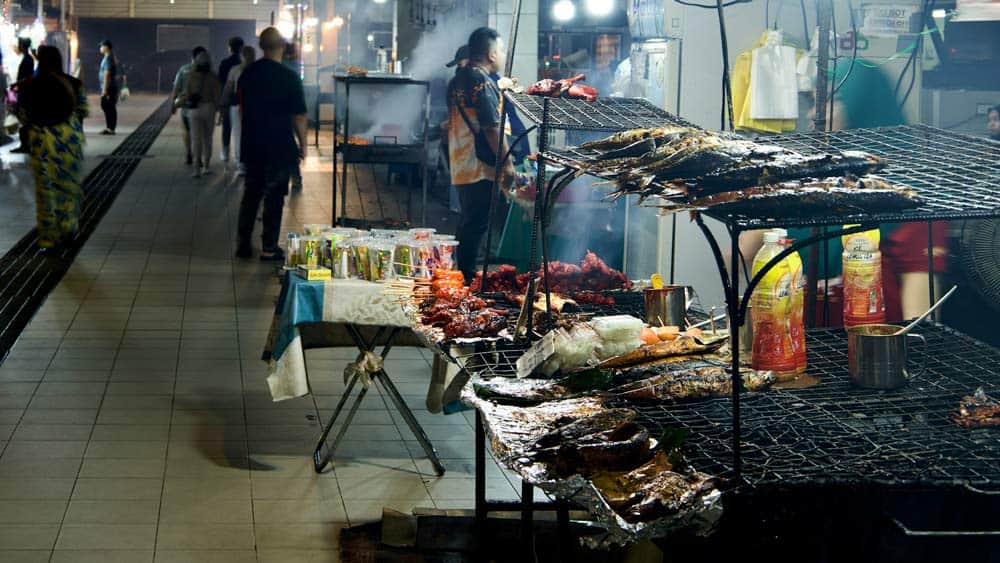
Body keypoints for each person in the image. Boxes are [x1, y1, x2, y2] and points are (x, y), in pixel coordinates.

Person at [739, 61, 947, 323]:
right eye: (815, 103)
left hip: (872, 356)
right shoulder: (806, 181)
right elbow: (745, 253)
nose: (815, 114)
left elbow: (920, 318)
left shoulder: (910, 201)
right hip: (794, 352)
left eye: (831, 102)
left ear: (864, 108)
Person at [447, 28, 515, 281]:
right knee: (476, 224)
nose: (504, 54)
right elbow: (491, 127)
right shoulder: (482, 82)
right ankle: (467, 279)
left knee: (468, 223)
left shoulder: (457, 81)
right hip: (480, 165)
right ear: (491, 53)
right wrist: (507, 165)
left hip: (461, 162)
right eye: (502, 49)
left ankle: (461, 275)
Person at [236, 27, 307, 261]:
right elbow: (298, 116)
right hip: (279, 146)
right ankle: (268, 247)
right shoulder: (289, 77)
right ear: (282, 46)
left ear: (260, 46)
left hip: (253, 145)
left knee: (251, 195)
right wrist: (303, 144)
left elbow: (242, 110)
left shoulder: (248, 74)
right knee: (275, 197)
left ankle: (243, 245)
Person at [17, 46, 87, 250]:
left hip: (43, 142)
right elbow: (82, 109)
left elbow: (23, 116)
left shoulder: (29, 85)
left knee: (46, 191)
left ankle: (49, 239)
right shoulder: (73, 83)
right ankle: (68, 228)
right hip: (69, 140)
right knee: (68, 187)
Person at [183, 51, 222, 178]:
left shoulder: (190, 76)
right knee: (207, 139)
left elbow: (187, 95)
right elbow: (217, 96)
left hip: (194, 110)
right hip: (209, 108)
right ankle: (206, 167)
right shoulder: (213, 76)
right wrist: (218, 110)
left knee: (196, 139)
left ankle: (196, 170)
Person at [220, 45, 256, 176]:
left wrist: (222, 102)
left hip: (238, 105)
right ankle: (253, 161)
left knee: (239, 135)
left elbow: (228, 88)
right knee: (254, 134)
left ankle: (241, 164)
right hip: (255, 106)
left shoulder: (236, 70)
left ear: (242, 56)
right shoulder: (258, 69)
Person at [171, 46, 207, 165]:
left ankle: (189, 154)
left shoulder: (183, 69)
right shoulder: (207, 71)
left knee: (186, 130)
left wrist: (173, 105)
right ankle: (199, 157)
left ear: (192, 57)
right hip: (202, 107)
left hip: (186, 106)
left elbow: (176, 88)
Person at [218, 36, 244, 165]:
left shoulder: (224, 63)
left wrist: (220, 101)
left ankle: (225, 152)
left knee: (226, 127)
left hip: (227, 99)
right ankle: (239, 158)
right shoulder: (243, 65)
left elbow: (221, 83)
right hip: (240, 101)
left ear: (230, 48)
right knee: (240, 131)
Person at [282, 42, 304, 191]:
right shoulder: (295, 66)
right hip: (290, 109)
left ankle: (289, 177)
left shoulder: (279, 65)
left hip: (277, 110)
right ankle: (295, 178)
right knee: (290, 144)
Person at [10, 37, 35, 153]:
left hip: (26, 93)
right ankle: (25, 144)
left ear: (22, 46)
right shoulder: (27, 58)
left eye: (19, 44)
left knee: (24, 120)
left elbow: (28, 78)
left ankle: (25, 145)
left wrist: (16, 84)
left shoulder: (28, 59)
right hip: (24, 91)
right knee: (24, 119)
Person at [98, 39, 118, 135]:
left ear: (106, 47)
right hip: (109, 86)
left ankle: (111, 128)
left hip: (109, 87)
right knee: (107, 106)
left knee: (108, 106)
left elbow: (107, 74)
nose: (100, 48)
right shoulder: (108, 57)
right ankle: (109, 127)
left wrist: (104, 89)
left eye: (101, 46)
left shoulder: (108, 58)